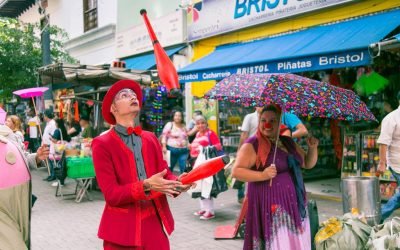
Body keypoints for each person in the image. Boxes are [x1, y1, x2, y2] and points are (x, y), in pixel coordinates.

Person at [92, 79, 191, 249]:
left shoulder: (150, 137)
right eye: (124, 95)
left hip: (154, 221)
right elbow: (112, 195)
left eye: (133, 94)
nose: (132, 96)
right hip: (122, 230)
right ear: (113, 109)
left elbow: (164, 171)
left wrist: (177, 182)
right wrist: (146, 185)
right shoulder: (102, 143)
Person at [232, 104, 319, 249]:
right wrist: (263, 175)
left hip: (293, 202)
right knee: (277, 241)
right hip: (269, 203)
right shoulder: (252, 144)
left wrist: (312, 148)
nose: (267, 124)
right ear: (259, 121)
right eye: (263, 120)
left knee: (290, 241)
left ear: (280, 123)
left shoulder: (287, 141)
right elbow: (237, 171)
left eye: (273, 120)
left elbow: (308, 164)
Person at [0, 124, 50, 249]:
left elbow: (23, 157)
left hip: (20, 196)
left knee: (22, 236)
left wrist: (37, 157)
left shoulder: (10, 133)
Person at [189, 115, 224, 220]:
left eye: (202, 123)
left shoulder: (211, 133)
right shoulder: (198, 134)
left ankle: (210, 211)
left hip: (208, 165)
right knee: (200, 186)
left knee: (207, 186)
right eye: (198, 123)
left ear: (206, 124)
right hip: (197, 164)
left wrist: (204, 148)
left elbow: (218, 146)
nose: (200, 125)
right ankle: (203, 208)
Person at [378, 92, 400, 221]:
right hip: (397, 164)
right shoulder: (391, 119)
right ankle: (379, 216)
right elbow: (383, 142)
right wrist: (382, 163)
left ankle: (379, 216)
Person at [42, 110, 57, 182]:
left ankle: (53, 175)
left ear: (46, 116)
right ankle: (50, 174)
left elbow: (53, 134)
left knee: (51, 160)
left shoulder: (52, 124)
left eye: (44, 115)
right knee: (48, 160)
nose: (43, 117)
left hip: (50, 144)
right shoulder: (48, 123)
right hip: (46, 143)